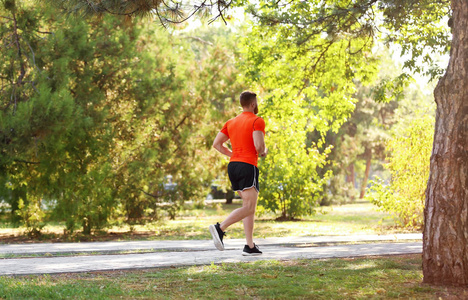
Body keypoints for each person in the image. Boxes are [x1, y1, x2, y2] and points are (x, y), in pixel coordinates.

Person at [209, 91, 267, 256]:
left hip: (233, 166)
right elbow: (259, 147)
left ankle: (249, 246)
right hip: (248, 166)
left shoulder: (231, 122)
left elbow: (217, 144)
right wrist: (264, 151)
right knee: (249, 207)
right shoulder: (257, 120)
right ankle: (220, 228)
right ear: (253, 104)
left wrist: (233, 155)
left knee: (248, 206)